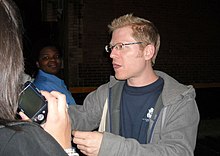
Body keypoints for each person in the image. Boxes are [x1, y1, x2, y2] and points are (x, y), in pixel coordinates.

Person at [68, 14, 200, 156]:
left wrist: (110, 147)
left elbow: (178, 152)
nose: (112, 54)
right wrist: (47, 112)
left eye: (121, 46)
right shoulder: (108, 92)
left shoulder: (179, 101)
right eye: (111, 47)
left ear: (148, 52)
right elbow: (80, 117)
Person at [0, 0, 76, 155]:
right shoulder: (43, 87)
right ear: (37, 63)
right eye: (46, 58)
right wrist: (65, 150)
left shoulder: (58, 82)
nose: (52, 60)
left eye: (55, 57)